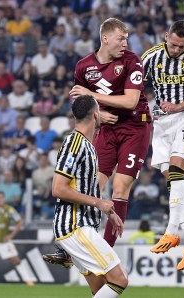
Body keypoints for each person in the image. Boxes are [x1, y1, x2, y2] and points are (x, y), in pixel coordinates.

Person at [65, 18, 151, 253]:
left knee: (120, 187)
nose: (125, 43)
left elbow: (131, 100)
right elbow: (80, 101)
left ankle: (105, 250)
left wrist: (93, 96)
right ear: (105, 38)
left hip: (135, 127)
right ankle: (72, 243)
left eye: (126, 38)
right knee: (91, 188)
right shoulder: (83, 66)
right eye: (120, 38)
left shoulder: (132, 60)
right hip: (106, 129)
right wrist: (99, 115)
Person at [142, 20, 184, 270]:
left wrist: (178, 106)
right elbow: (136, 86)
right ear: (166, 36)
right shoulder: (150, 56)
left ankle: (172, 231)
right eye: (173, 44)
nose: (176, 50)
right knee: (175, 185)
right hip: (161, 123)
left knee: (176, 170)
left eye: (181, 46)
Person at [45, 95, 128, 297]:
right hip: (75, 227)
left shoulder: (88, 146)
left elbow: (85, 189)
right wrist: (99, 202)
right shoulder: (74, 143)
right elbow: (58, 188)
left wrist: (107, 211)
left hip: (82, 226)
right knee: (119, 280)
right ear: (95, 114)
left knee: (100, 289)